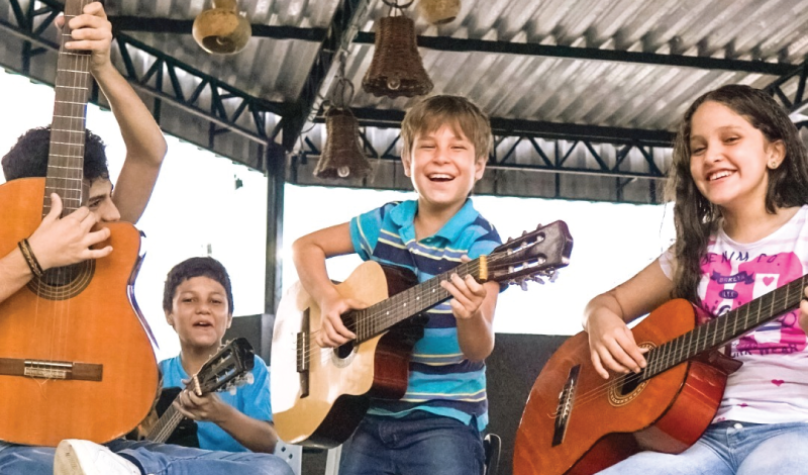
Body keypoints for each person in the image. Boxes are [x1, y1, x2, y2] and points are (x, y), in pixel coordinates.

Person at [585, 84, 808, 475]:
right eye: (699, 147)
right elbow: (607, 303)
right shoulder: (694, 249)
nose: (711, 156)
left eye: (731, 139)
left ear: (775, 152)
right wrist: (599, 320)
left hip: (793, 429)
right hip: (697, 440)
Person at [292, 94, 502, 475]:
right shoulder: (386, 222)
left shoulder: (481, 244)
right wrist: (329, 299)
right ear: (408, 162)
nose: (441, 157)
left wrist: (469, 315)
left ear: (479, 167)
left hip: (445, 418)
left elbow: (478, 348)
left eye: (457, 148)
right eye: (427, 147)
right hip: (368, 412)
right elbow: (306, 247)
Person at [50, 257, 293, 475]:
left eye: (216, 301)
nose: (203, 308)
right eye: (189, 300)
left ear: (229, 317)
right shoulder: (153, 375)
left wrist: (222, 415)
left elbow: (270, 442)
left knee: (273, 470)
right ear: (169, 314)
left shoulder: (251, 370)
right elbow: (133, 437)